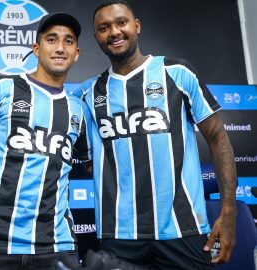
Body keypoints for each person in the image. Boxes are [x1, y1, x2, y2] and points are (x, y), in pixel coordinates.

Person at [71, 0, 237, 269]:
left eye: (121, 22)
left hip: (182, 228)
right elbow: (44, 106)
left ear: (136, 26)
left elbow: (218, 139)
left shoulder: (176, 73)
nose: (114, 32)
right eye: (104, 27)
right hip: (119, 235)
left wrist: (228, 213)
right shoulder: (87, 94)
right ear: (96, 37)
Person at [0, 12, 91, 270]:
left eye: (68, 42)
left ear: (76, 53)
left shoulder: (79, 110)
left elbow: (94, 164)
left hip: (56, 247)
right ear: (36, 48)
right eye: (51, 39)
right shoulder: (2, 88)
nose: (60, 48)